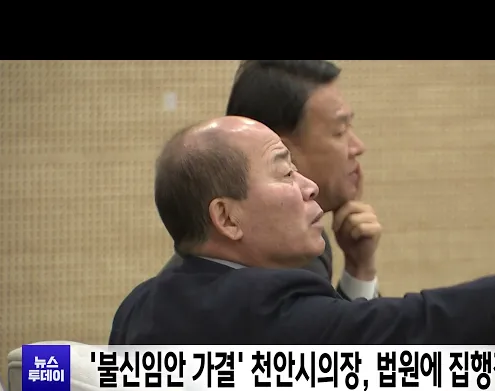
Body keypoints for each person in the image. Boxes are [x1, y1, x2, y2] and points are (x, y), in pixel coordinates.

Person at [109, 115, 495, 391]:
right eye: (285, 172)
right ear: (226, 217)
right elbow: (413, 329)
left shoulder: (145, 305)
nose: (309, 186)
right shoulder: (256, 311)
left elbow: (347, 352)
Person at [161, 60, 379, 303]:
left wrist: (359, 267)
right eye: (340, 131)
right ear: (280, 149)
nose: (358, 147)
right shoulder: (277, 262)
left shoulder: (297, 238)